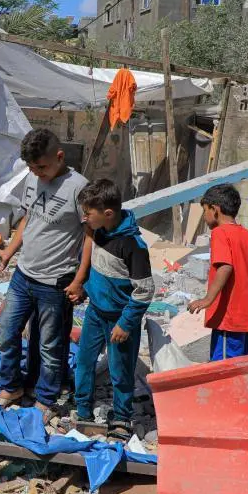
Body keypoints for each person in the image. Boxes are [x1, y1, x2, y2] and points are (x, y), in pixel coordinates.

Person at [0, 129, 89, 411]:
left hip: (55, 282)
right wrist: (10, 251)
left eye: (42, 167)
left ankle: (45, 398)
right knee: (7, 331)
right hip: (24, 275)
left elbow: (90, 236)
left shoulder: (79, 187)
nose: (37, 173)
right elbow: (28, 218)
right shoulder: (34, 179)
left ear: (60, 157)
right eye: (32, 168)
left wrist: (80, 279)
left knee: (50, 345)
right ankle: (12, 386)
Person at [74, 179, 153, 441]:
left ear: (108, 213)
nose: (84, 218)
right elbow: (98, 268)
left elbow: (144, 290)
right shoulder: (99, 230)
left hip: (120, 320)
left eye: (88, 213)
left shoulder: (133, 245)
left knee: (120, 370)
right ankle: (82, 411)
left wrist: (126, 323)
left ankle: (121, 417)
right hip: (96, 313)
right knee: (85, 362)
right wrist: (84, 287)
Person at [187, 184, 248, 360]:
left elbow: (225, 266)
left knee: (224, 371)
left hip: (230, 319)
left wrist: (207, 299)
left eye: (205, 210)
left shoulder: (221, 233)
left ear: (215, 209)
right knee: (243, 369)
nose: (204, 217)